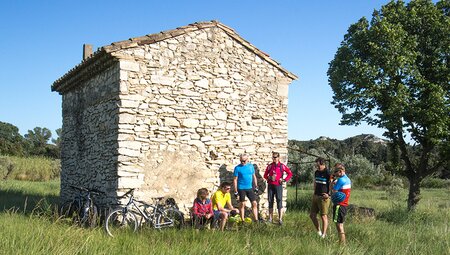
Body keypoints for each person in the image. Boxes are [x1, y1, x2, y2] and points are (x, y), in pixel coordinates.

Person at [263, 152, 292, 225]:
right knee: (270, 201)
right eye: (273, 157)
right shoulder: (270, 166)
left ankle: (280, 219)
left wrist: (284, 180)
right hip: (270, 185)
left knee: (279, 201)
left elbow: (290, 173)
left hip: (278, 185)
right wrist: (269, 177)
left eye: (275, 157)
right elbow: (265, 175)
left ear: (279, 158)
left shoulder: (282, 166)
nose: (274, 158)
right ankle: (270, 218)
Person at [310, 157, 332, 238]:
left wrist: (329, 194)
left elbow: (332, 184)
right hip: (316, 195)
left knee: (323, 216)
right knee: (312, 215)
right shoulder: (316, 172)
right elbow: (315, 182)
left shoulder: (328, 173)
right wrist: (314, 193)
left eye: (318, 165)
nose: (317, 167)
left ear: (323, 164)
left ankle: (324, 234)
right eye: (316, 165)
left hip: (324, 198)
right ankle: (319, 231)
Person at [233, 154, 259, 222]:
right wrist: (235, 191)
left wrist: (256, 186)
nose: (242, 162)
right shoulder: (237, 168)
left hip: (249, 188)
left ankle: (256, 220)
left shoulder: (251, 166)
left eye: (244, 161)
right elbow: (235, 179)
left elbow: (254, 176)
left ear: (247, 160)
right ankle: (242, 220)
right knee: (242, 204)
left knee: (254, 203)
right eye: (241, 161)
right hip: (241, 188)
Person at [332, 163, 352, 244]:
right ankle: (342, 242)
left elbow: (333, 191)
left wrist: (331, 182)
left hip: (339, 205)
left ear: (340, 171)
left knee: (339, 225)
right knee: (341, 224)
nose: (334, 174)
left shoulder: (340, 180)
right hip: (344, 205)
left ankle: (342, 243)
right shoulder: (347, 179)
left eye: (335, 172)